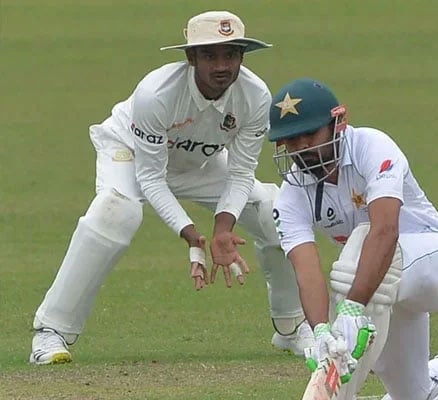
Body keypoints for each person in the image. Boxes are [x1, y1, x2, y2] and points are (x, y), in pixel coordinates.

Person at [29, 11, 313, 365]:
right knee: (117, 211)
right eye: (210, 55)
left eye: (231, 54)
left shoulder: (255, 96)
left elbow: (241, 173)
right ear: (191, 57)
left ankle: (291, 325)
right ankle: (51, 332)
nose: (222, 65)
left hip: (199, 163)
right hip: (130, 153)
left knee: (273, 210)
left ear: (242, 57)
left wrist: (223, 229)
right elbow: (150, 178)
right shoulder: (157, 93)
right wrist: (192, 235)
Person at [267, 78, 438, 400]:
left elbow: (385, 232)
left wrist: (353, 308)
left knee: (360, 251)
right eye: (291, 141)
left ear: (338, 123)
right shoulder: (290, 196)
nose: (302, 149)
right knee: (414, 397)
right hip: (383, 289)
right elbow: (306, 271)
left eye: (309, 135)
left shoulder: (372, 146)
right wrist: (321, 330)